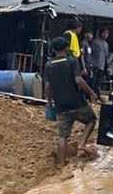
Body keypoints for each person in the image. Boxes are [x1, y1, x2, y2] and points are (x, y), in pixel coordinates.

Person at [43, 36, 101, 166]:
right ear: (67, 48)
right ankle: (82, 144)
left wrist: (49, 101)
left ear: (53, 49)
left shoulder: (49, 65)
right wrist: (91, 93)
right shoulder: (72, 61)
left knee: (63, 136)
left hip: (61, 106)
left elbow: (47, 86)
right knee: (91, 121)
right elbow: (79, 80)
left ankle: (61, 164)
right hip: (77, 102)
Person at [91, 28, 110, 93]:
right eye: (104, 33)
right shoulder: (95, 42)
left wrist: (107, 67)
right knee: (93, 82)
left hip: (102, 66)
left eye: (107, 33)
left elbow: (106, 56)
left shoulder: (106, 44)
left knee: (98, 83)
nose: (106, 35)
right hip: (95, 65)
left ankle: (97, 95)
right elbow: (91, 53)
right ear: (101, 33)